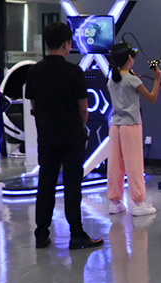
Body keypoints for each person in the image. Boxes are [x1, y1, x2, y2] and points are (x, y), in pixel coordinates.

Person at [25, 22, 103, 250]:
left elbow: (33, 104)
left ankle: (41, 234)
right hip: (72, 138)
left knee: (45, 185)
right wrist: (79, 126)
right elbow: (83, 108)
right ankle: (76, 234)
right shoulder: (74, 72)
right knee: (72, 187)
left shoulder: (34, 71)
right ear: (67, 44)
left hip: (47, 137)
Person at [106, 42, 161, 216]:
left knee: (115, 165)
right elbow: (152, 98)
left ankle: (114, 202)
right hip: (131, 126)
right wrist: (157, 79)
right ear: (129, 58)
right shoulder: (132, 80)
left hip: (115, 126)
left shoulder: (111, 80)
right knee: (134, 164)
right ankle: (138, 203)